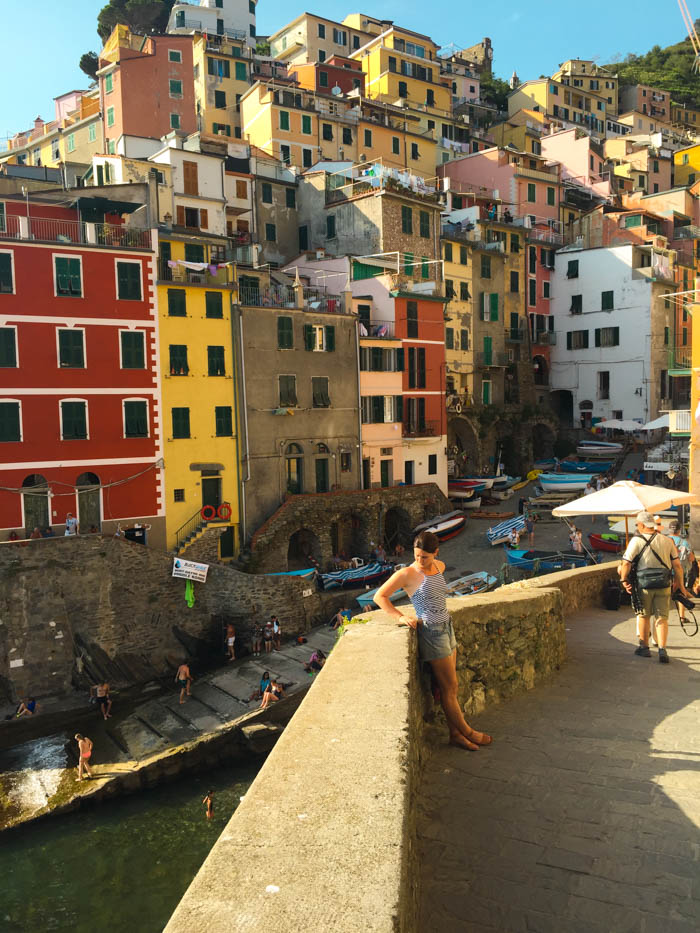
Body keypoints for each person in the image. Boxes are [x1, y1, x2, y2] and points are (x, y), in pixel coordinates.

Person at [374, 530, 491, 751]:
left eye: (425, 557)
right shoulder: (407, 574)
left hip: (447, 626)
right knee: (450, 687)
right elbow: (379, 596)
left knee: (449, 688)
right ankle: (467, 731)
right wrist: (400, 617)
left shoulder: (440, 566)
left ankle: (456, 735)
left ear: (435, 553)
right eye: (417, 555)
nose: (420, 560)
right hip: (431, 631)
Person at [620, 511, 691, 664]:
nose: (637, 526)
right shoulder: (667, 541)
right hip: (664, 585)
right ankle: (662, 650)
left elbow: (626, 563)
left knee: (644, 616)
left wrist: (623, 580)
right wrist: (681, 586)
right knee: (662, 618)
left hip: (643, 585)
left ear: (642, 525)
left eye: (638, 524)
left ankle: (644, 648)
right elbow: (677, 566)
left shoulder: (636, 541)